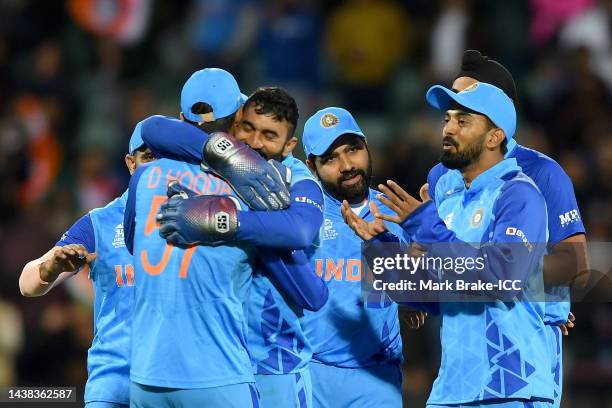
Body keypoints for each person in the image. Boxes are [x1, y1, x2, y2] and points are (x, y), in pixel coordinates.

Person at [363, 82, 554, 407]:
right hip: (454, 387)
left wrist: (424, 223)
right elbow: (439, 295)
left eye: (463, 121)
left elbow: (501, 279)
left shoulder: (518, 195)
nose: (448, 128)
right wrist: (381, 245)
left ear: (495, 137)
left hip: (511, 386)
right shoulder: (449, 204)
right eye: (447, 119)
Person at [139, 86, 328, 408]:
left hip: (275, 362)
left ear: (289, 145)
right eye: (248, 128)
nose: (255, 143)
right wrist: (229, 155)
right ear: (236, 122)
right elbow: (152, 128)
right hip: (217, 361)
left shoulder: (296, 177)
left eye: (270, 135)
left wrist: (222, 221)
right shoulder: (219, 163)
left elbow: (300, 230)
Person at [427, 50, 588, 407]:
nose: (452, 121)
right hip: (461, 352)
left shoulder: (541, 172)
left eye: (466, 107)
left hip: (522, 350)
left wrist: (518, 279)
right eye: (450, 109)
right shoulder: (442, 176)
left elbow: (574, 265)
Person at [19, 123, 156, 408]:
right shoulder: (101, 222)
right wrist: (51, 267)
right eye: (149, 157)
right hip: (113, 384)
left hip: (169, 382)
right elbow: (27, 283)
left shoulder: (193, 221)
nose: (157, 169)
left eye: (167, 159)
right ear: (131, 164)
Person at [300, 107, 409, 408]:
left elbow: (423, 289)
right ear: (312, 166)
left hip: (377, 378)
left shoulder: (399, 211)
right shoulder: (301, 215)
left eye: (353, 150)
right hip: (311, 374)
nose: (347, 165)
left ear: (366, 146)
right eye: (331, 158)